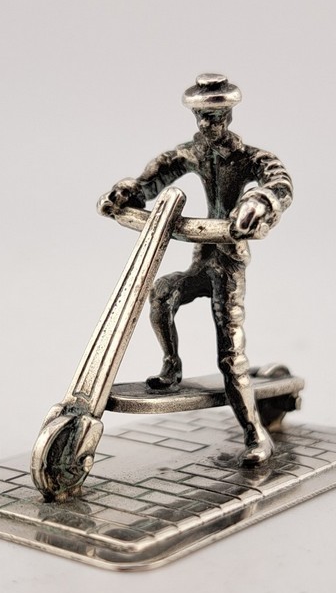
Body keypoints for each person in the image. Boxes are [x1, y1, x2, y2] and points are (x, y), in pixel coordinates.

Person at [98, 74, 293, 466]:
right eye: (202, 117)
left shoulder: (248, 157)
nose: (208, 124)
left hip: (228, 265)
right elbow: (153, 179)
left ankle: (256, 436)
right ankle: (172, 367)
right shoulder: (192, 153)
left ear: (229, 116)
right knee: (162, 293)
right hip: (203, 260)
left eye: (215, 117)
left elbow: (279, 182)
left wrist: (260, 202)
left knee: (230, 357)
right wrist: (126, 193)